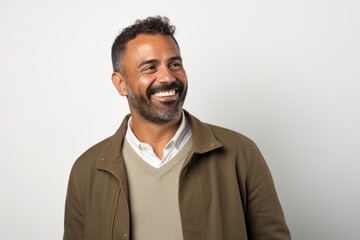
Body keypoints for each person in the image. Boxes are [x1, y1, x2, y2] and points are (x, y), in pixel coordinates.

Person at [63, 16, 291, 240]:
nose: (168, 76)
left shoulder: (241, 154)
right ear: (121, 84)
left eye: (174, 64)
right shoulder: (86, 171)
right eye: (150, 67)